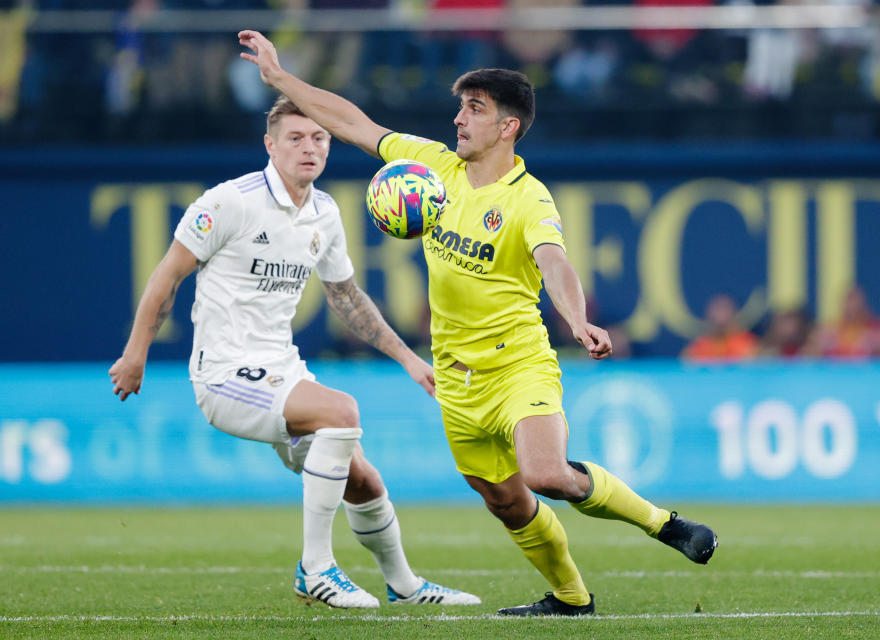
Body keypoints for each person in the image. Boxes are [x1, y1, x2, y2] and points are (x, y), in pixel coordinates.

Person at [236, 30, 718, 616]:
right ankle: (572, 598)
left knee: (544, 474)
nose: (459, 119)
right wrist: (282, 79)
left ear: (507, 126)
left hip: (518, 364)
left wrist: (578, 319)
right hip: (457, 377)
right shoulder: (433, 167)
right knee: (505, 501)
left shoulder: (528, 199)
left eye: (475, 109)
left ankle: (663, 524)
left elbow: (555, 263)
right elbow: (353, 123)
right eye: (461, 106)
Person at [108, 95, 480, 610]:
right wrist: (135, 355)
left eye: (320, 137)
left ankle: (405, 586)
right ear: (270, 144)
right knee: (342, 412)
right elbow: (167, 276)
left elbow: (347, 297)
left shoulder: (324, 212)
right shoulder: (229, 202)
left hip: (280, 369)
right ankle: (316, 568)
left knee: (362, 477)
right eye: (296, 138)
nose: (310, 148)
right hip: (222, 373)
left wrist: (410, 359)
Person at [682, 293, 759, 362]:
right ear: (708, 317)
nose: (721, 317)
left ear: (734, 315)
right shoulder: (697, 349)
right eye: (717, 311)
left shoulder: (748, 346)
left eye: (725, 310)